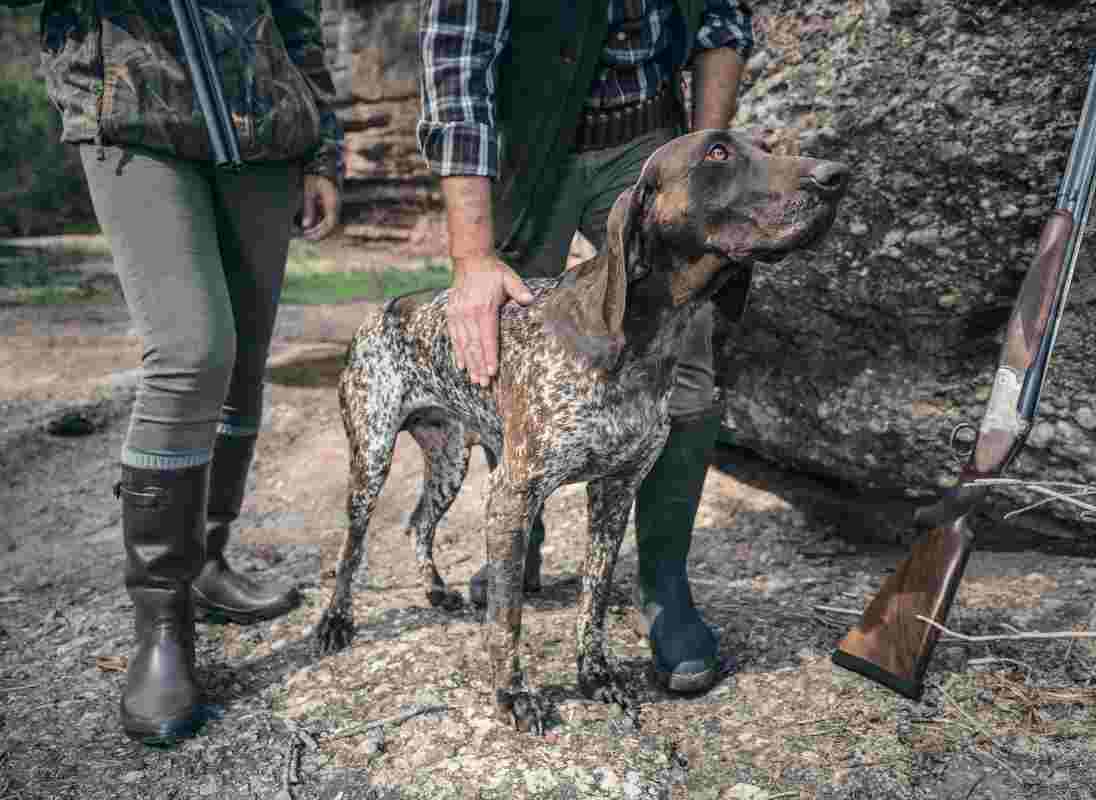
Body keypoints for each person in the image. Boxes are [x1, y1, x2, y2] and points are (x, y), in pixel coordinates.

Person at [4, 0, 343, 740]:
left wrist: (322, 149)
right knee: (192, 352)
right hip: (133, 109)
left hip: (264, 124)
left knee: (242, 361)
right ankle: (163, 621)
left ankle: (209, 559)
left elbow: (297, 15)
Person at [418, 0, 753, 693]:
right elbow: (456, 61)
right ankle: (523, 532)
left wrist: (705, 156)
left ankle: (665, 586)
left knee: (682, 359)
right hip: (523, 142)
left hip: (650, 138)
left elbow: (722, 21)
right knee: (507, 338)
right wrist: (472, 256)